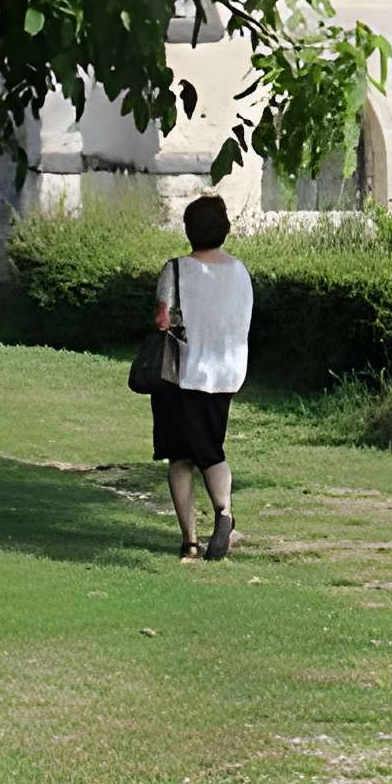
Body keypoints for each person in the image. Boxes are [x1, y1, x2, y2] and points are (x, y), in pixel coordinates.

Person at [151, 193, 253, 562]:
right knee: (212, 449)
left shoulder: (176, 269)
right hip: (224, 374)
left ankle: (190, 541)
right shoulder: (240, 271)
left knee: (181, 458)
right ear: (224, 230)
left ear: (189, 230)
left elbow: (163, 320)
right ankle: (224, 513)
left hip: (182, 373)